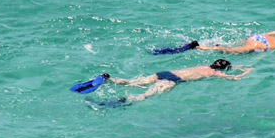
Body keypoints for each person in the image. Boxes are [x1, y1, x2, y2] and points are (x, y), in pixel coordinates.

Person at [108, 59, 252, 103]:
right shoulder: (214, 73)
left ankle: (110, 79)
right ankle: (126, 100)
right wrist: (247, 71)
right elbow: (235, 78)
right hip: (174, 80)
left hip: (166, 73)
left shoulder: (204, 66)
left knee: (134, 82)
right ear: (223, 69)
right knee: (146, 95)